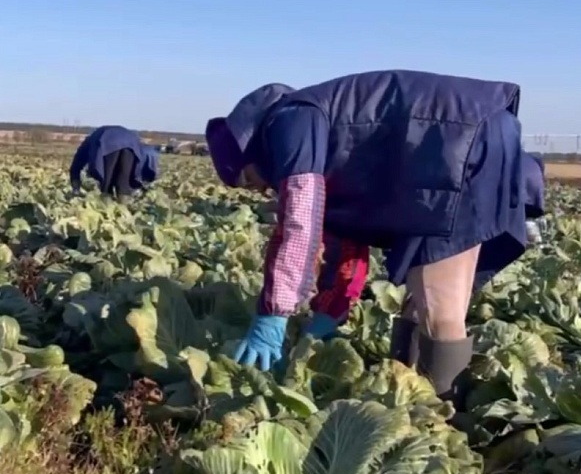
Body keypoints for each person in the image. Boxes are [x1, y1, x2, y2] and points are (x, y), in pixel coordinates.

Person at [204, 69, 546, 408]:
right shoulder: (315, 128)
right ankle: (409, 394)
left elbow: (300, 219)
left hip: (458, 149)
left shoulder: (289, 121)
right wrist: (328, 314)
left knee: (439, 304)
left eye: (248, 179)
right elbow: (344, 242)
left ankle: (440, 417)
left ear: (249, 151)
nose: (260, 190)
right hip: (449, 153)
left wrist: (274, 313)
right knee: (420, 298)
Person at [69, 125, 158, 203]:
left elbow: (76, 166)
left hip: (108, 141)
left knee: (107, 184)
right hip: (131, 144)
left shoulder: (89, 142)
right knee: (124, 183)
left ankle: (107, 208)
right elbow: (149, 154)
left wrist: (76, 189)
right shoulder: (94, 137)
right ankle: (124, 212)